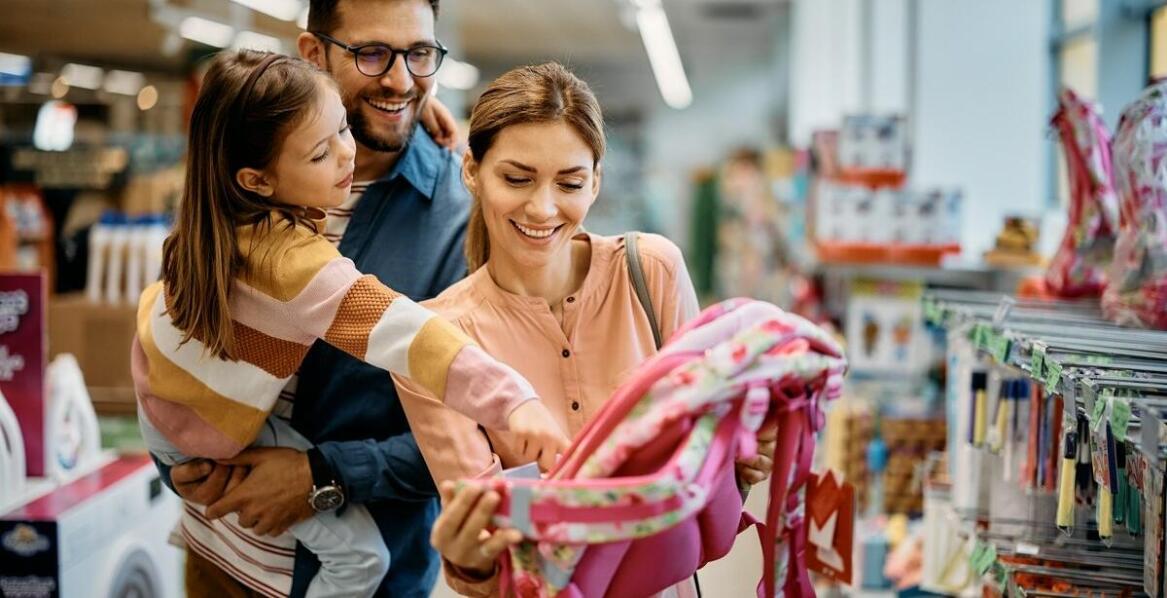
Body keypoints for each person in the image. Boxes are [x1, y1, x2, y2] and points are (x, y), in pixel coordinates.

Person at [134, 49, 569, 597]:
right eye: (322, 151)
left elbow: (153, 325)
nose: (347, 153)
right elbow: (414, 337)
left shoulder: (208, 221)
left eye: (419, 55)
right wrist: (515, 400)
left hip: (179, 420)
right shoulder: (296, 265)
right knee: (362, 560)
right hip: (216, 496)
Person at [392, 62, 778, 597]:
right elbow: (492, 544)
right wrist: (471, 562)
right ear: (472, 171)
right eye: (516, 178)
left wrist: (738, 460)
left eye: (569, 182)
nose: (543, 207)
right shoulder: (436, 341)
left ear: (595, 181)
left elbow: (706, 463)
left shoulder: (652, 272)